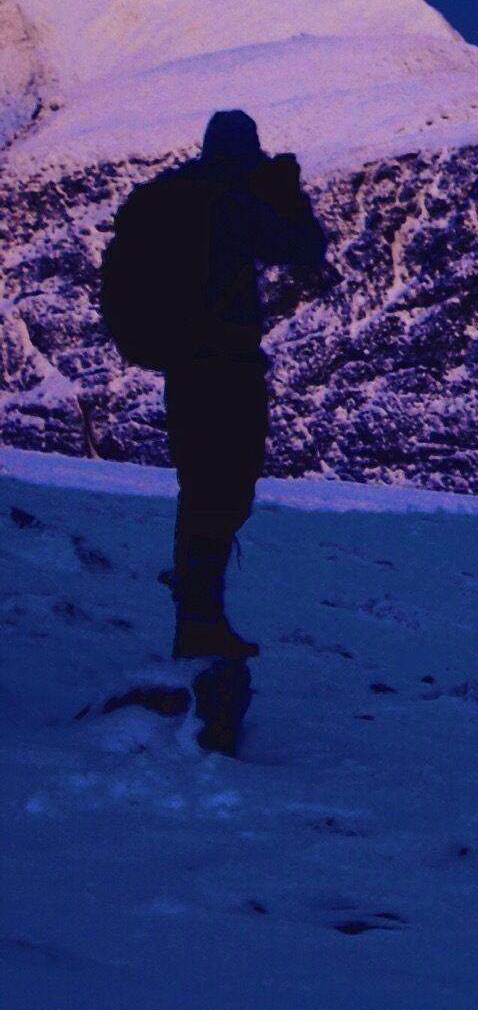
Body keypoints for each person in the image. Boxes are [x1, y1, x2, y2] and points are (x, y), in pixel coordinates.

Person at [152, 109, 328, 660]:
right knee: (227, 489)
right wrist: (287, 194)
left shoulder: (178, 197)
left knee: (199, 486)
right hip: (227, 371)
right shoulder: (233, 204)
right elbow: (305, 248)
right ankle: (199, 613)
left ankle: (195, 603)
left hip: (184, 371)